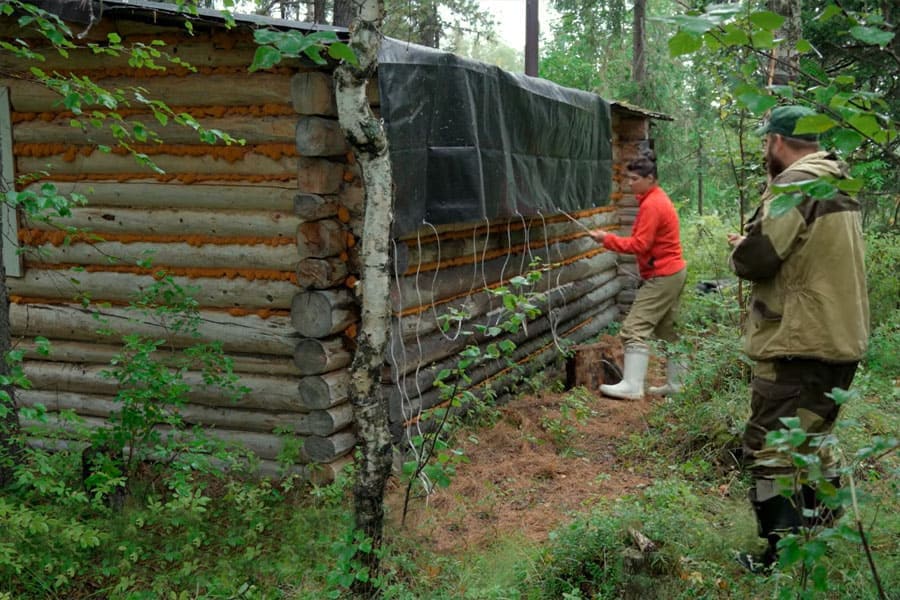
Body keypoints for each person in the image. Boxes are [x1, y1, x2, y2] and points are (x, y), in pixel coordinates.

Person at [727, 105, 869, 572]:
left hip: (799, 342)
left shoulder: (796, 182)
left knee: (770, 449)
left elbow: (761, 257)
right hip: (838, 338)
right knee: (812, 442)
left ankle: (782, 560)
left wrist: (742, 249)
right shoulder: (836, 179)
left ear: (776, 142)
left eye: (767, 142)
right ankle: (821, 538)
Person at [590, 150, 687, 400]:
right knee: (668, 331)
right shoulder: (653, 199)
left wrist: (607, 240)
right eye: (628, 178)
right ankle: (677, 385)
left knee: (633, 328)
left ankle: (632, 386)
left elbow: (640, 245)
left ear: (650, 178)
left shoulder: (653, 204)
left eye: (635, 178)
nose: (630, 183)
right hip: (671, 271)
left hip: (663, 274)